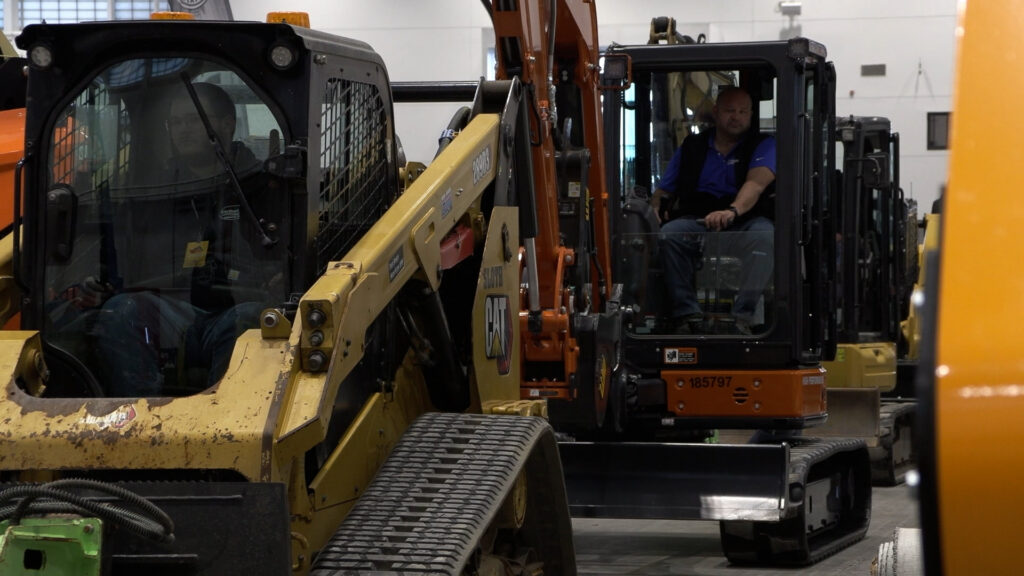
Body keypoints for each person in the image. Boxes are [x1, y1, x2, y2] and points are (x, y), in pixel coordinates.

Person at [92, 81, 278, 396]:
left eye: (194, 120)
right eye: (176, 122)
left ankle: (224, 419)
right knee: (120, 310)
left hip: (234, 310)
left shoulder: (262, 187)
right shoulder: (155, 191)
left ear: (227, 124)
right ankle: (143, 418)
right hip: (173, 313)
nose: (183, 129)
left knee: (250, 320)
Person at [652, 86, 776, 334]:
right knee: (670, 235)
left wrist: (732, 211)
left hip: (744, 222)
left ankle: (742, 317)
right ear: (716, 112)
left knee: (765, 236)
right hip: (698, 222)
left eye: (743, 111)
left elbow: (755, 184)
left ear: (751, 115)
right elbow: (664, 190)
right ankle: (686, 315)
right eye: (730, 110)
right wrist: (654, 209)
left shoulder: (764, 145)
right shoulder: (692, 146)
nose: (736, 117)